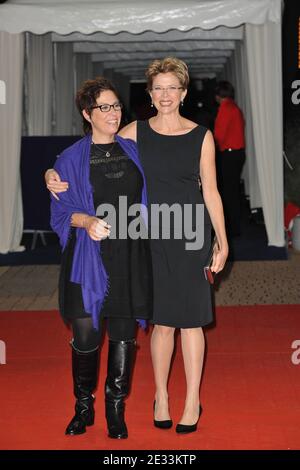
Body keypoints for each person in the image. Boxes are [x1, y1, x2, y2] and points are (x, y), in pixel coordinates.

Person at [46, 57, 228, 434]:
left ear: (182, 93)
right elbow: (88, 152)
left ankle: (192, 399)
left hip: (190, 235)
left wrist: (222, 241)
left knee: (192, 322)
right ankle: (160, 395)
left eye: (171, 88)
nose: (164, 95)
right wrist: (51, 172)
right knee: (161, 323)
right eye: (157, 88)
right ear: (150, 93)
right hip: (147, 238)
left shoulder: (201, 135)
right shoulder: (134, 132)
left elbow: (211, 192)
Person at [49, 77, 152, 440]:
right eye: (104, 107)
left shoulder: (133, 147)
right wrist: (87, 220)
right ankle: (83, 406)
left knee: (124, 335)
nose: (113, 113)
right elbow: (61, 214)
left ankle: (115, 409)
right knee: (87, 337)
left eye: (116, 106)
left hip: (129, 254)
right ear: (87, 114)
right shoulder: (70, 158)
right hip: (88, 259)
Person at [214, 80, 246, 236]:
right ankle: (236, 225)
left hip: (230, 154)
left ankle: (233, 227)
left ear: (218, 95)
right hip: (238, 153)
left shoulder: (225, 108)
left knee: (228, 191)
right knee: (232, 189)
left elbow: (219, 135)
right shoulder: (235, 108)